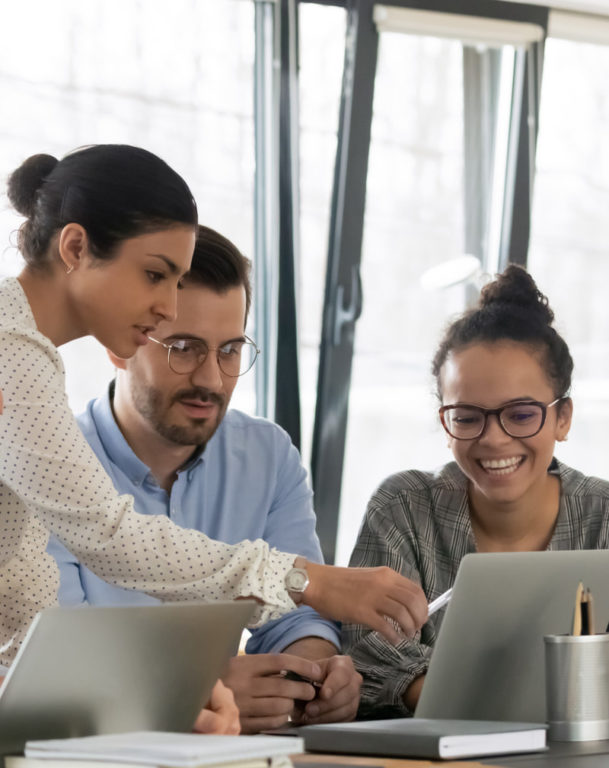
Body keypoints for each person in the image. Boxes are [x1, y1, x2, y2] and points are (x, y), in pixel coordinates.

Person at [0, 145, 427, 677]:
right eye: (156, 275)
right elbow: (109, 537)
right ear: (76, 247)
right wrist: (308, 580)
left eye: (176, 282)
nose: (168, 307)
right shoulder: (10, 354)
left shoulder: (26, 355)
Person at [48, 225, 362, 731]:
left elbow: (295, 614)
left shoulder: (269, 456)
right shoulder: (51, 465)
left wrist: (311, 675)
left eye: (231, 350)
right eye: (184, 348)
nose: (211, 379)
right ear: (119, 345)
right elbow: (55, 662)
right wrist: (197, 689)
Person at [343, 264, 609, 718]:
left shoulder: (603, 515)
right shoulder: (404, 508)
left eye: (522, 414)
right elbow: (365, 647)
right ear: (444, 423)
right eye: (467, 417)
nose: (493, 439)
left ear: (562, 417)